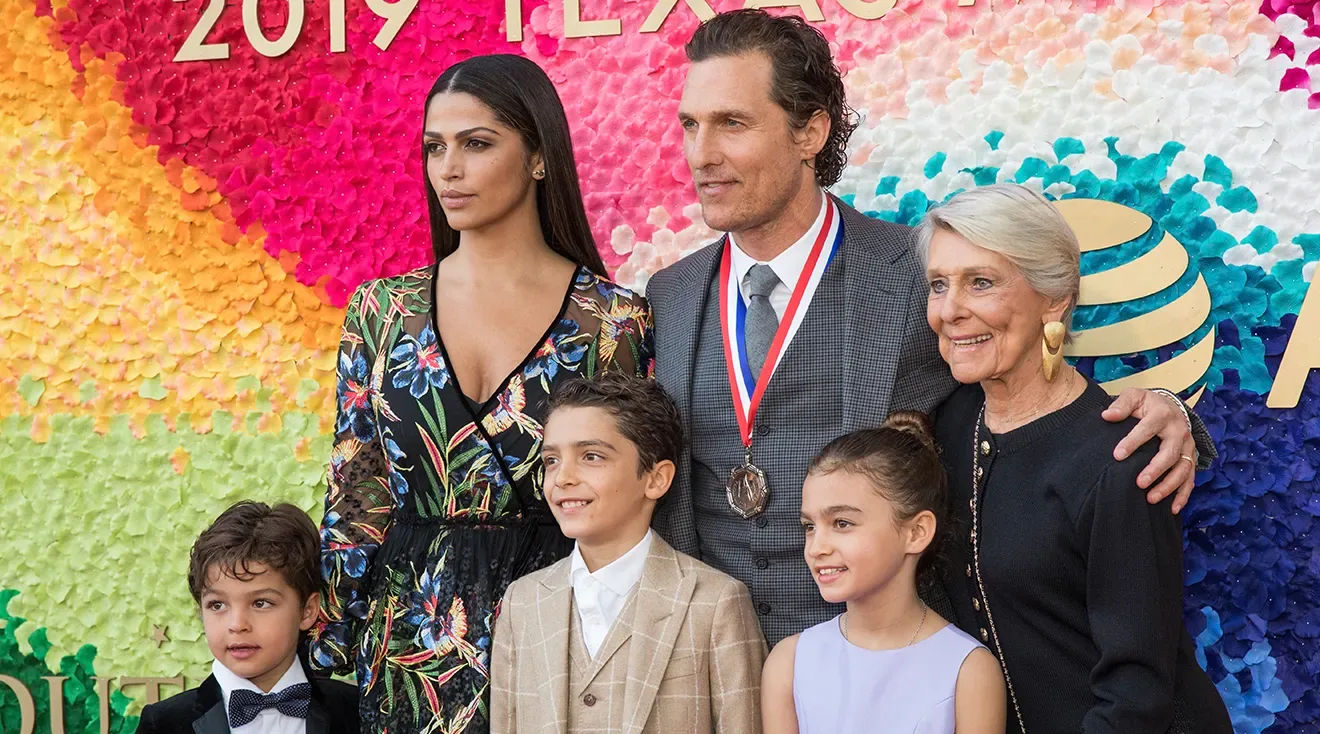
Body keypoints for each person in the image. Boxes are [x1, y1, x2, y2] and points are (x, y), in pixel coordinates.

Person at [646, 9, 1214, 645]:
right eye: (691, 125)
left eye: (732, 124)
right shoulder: (670, 296)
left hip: (883, 669)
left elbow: (1028, 393)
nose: (702, 154)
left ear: (810, 131)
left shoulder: (921, 275)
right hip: (709, 667)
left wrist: (1164, 409)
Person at [310, 55, 654, 734]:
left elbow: (629, 502)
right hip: (405, 648)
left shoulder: (610, 320)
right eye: (435, 147)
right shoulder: (384, 311)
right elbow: (357, 492)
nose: (449, 169)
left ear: (537, 157)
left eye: (477, 143)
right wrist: (326, 643)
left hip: (562, 634)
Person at [922, 184, 1231, 733]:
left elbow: (1135, 694)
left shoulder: (1122, 456)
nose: (951, 311)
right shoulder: (947, 425)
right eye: (939, 285)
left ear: (1056, 296)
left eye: (982, 283)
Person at [491, 374, 766, 734]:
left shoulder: (716, 603)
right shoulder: (522, 603)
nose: (563, 478)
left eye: (591, 456)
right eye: (552, 460)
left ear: (656, 479)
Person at [761, 413, 1005, 734]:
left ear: (916, 532)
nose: (816, 547)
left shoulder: (969, 671)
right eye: (809, 526)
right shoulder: (789, 663)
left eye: (842, 523)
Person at [137, 501, 359, 734]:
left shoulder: (355, 712)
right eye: (218, 604)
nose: (237, 625)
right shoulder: (163, 724)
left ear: (307, 610)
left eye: (261, 603)